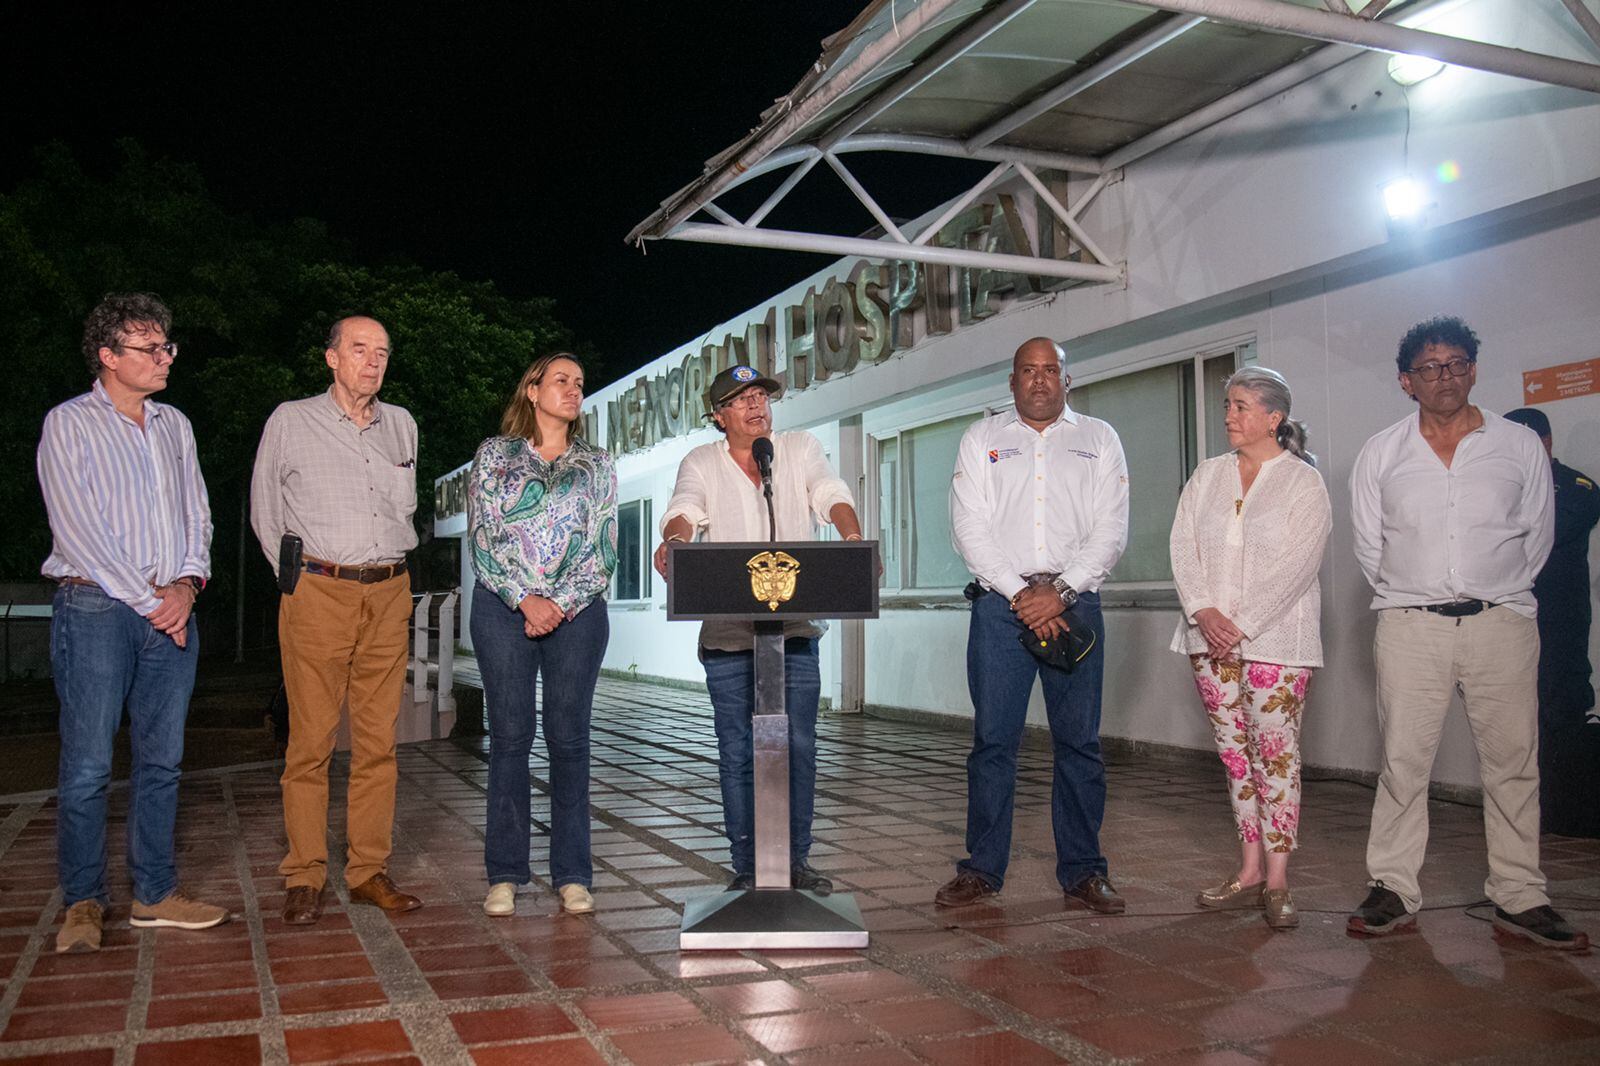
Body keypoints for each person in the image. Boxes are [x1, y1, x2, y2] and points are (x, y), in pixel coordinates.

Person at [1348, 316, 1586, 950]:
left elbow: (1538, 538)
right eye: (1429, 367)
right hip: (1410, 626)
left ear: (1473, 369)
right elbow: (1371, 546)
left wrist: (1493, 590)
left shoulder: (1517, 447)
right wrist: (1419, 591)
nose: (1444, 375)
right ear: (1407, 381)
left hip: (1501, 623)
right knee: (1403, 761)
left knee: (1513, 762)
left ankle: (1520, 895)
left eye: (1455, 363)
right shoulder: (1382, 453)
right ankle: (1392, 887)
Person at [39, 293, 229, 953]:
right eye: (150, 348)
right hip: (95, 607)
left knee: (163, 760)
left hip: (171, 611)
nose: (165, 357)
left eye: (167, 345)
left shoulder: (175, 425)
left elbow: (197, 513)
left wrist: (184, 584)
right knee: (90, 762)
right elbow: (79, 530)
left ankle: (155, 893)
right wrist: (152, 601)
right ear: (107, 355)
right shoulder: (68, 424)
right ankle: (84, 902)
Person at [653, 364, 865, 892]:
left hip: (792, 631)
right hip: (728, 637)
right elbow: (684, 508)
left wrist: (853, 536)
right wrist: (676, 543)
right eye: (741, 399)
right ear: (720, 416)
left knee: (797, 746)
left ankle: (795, 861)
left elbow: (828, 490)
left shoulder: (796, 448)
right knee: (738, 750)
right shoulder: (702, 460)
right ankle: (747, 866)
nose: (756, 406)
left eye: (761, 396)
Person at [937, 337, 1129, 912]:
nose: (1041, 380)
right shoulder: (983, 438)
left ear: (1067, 379)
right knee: (994, 742)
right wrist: (1024, 595)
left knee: (1080, 743)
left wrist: (1061, 591)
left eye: (1052, 370)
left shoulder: (1099, 439)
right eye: (1029, 370)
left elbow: (1111, 529)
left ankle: (1083, 871)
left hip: (1076, 605)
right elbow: (969, 529)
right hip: (1002, 607)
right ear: (1012, 380)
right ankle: (982, 870)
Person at [250, 315, 422, 925]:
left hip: (389, 591)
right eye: (359, 349)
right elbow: (265, 513)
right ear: (331, 357)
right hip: (318, 592)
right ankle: (304, 874)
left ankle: (368, 870)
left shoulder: (402, 425)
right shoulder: (291, 421)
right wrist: (300, 582)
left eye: (382, 351)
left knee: (379, 743)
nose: (373, 361)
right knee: (311, 742)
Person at [1169, 367, 1330, 930]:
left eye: (1240, 406)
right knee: (1236, 758)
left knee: (1276, 757)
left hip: (1278, 643)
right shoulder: (1207, 475)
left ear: (1273, 418)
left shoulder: (1303, 482)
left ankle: (1280, 880)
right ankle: (1249, 870)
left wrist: (1238, 623)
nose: (1229, 415)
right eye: (1228, 405)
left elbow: (1298, 565)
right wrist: (1203, 612)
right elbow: (1182, 545)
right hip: (1208, 641)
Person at [469, 353, 616, 916]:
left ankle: (573, 874)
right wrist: (525, 598)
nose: (574, 390)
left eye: (580, 383)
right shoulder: (494, 456)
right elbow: (485, 538)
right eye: (561, 380)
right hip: (503, 609)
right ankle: (504, 874)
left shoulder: (597, 464)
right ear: (532, 390)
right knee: (509, 738)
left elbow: (602, 548)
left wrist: (558, 603)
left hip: (576, 615)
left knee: (570, 740)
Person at [1503, 406, 1600, 837]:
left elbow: (1540, 533)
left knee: (1561, 706)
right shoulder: (1498, 489)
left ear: (1545, 443)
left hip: (1560, 621)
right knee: (1513, 717)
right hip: (1510, 620)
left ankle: (1563, 810)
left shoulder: (1576, 488)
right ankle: (1521, 812)